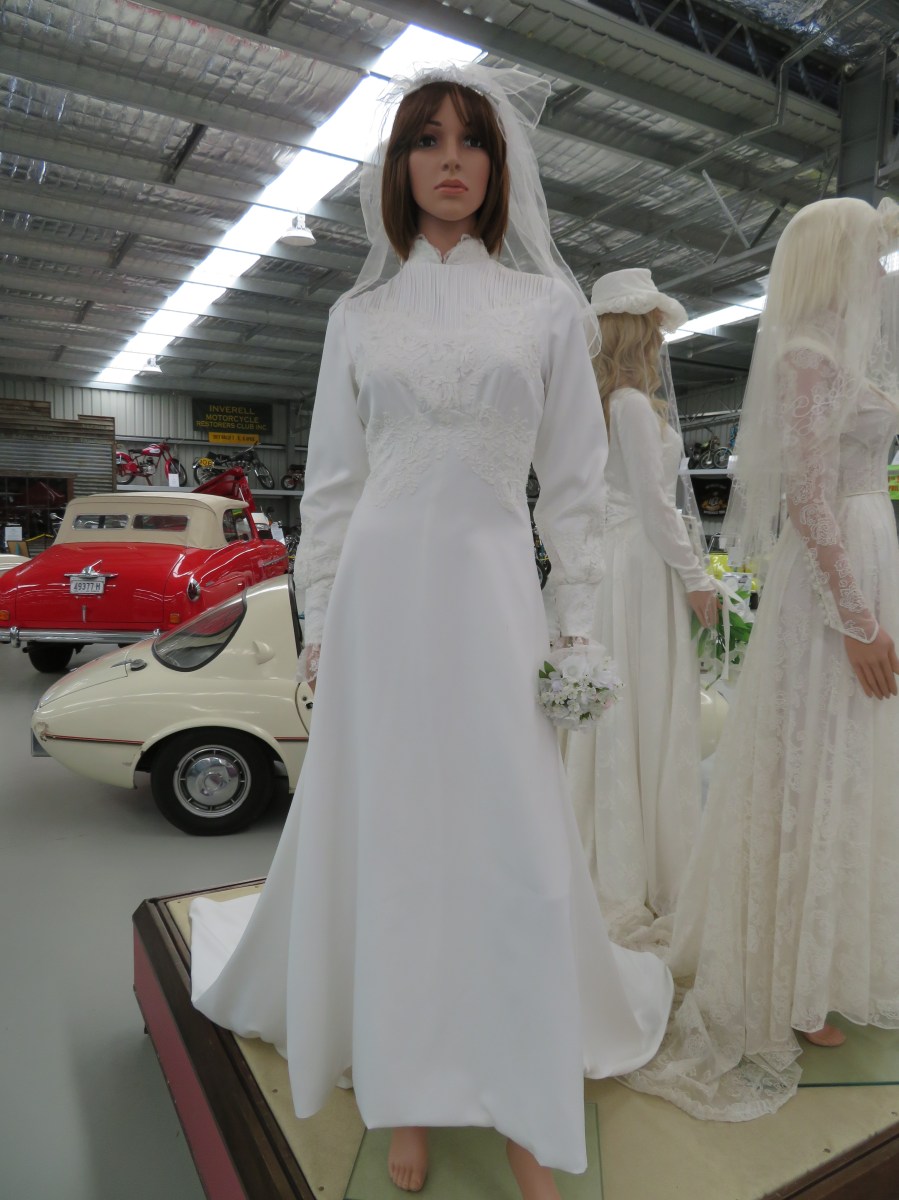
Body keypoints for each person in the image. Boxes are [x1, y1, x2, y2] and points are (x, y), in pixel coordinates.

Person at [188, 61, 672, 1197]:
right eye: (427, 140)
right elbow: (333, 487)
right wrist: (318, 627)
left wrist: (576, 632)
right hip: (381, 607)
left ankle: (521, 1097)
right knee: (398, 839)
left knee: (511, 844)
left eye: (470, 142)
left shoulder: (544, 310)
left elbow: (574, 489)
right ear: (399, 166)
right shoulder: (357, 318)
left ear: (497, 168)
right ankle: (404, 1088)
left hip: (493, 599)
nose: (450, 160)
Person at [623, 196, 899, 1120]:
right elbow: (808, 500)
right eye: (868, 254)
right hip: (830, 581)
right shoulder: (807, 356)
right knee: (811, 760)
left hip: (869, 553)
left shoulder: (853, 352)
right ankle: (790, 974)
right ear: (831, 258)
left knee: (856, 760)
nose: (878, 271)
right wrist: (855, 618)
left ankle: (836, 951)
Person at [564, 270, 716, 946]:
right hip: (639, 566)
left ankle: (616, 841)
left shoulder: (601, 404)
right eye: (653, 330)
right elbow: (657, 506)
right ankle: (639, 863)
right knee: (642, 700)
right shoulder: (628, 405)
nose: (659, 342)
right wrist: (696, 577)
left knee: (619, 705)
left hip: (613, 563)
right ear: (636, 333)